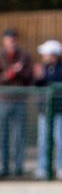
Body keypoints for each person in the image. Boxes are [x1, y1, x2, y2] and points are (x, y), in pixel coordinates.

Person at [34, 40, 62, 180]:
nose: (44, 56)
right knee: (43, 141)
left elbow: (61, 82)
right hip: (44, 112)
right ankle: (42, 167)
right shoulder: (43, 68)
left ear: (54, 55)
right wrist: (38, 78)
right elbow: (39, 84)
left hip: (59, 112)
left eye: (46, 54)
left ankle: (61, 167)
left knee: (60, 140)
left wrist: (44, 77)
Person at [0, 28, 33, 178]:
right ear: (4, 40)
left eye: (13, 38)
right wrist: (10, 74)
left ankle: (19, 167)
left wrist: (20, 72)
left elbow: (30, 76)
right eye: (8, 38)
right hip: (3, 101)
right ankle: (3, 166)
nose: (11, 41)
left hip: (20, 101)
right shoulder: (0, 56)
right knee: (3, 136)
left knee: (19, 136)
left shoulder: (24, 56)